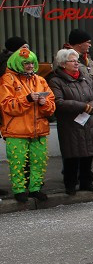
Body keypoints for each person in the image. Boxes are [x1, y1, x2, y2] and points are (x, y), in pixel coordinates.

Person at [0, 46, 55, 203]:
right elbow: (6, 105)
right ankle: (19, 190)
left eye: (32, 63)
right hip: (16, 130)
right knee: (18, 162)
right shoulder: (7, 80)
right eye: (26, 63)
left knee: (38, 160)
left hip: (39, 130)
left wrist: (44, 103)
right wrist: (28, 99)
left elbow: (52, 106)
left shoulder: (41, 80)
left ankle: (35, 188)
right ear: (17, 63)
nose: (30, 66)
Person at [48, 48, 93, 195]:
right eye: (72, 61)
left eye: (77, 60)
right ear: (62, 64)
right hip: (70, 123)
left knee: (88, 154)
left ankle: (86, 182)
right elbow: (58, 102)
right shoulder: (56, 81)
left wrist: (91, 106)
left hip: (89, 121)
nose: (76, 63)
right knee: (72, 155)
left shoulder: (85, 78)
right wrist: (82, 106)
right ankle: (70, 184)